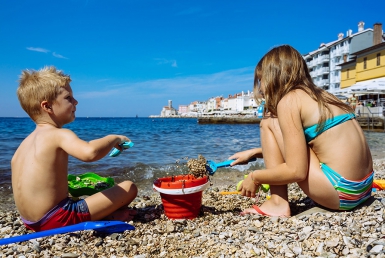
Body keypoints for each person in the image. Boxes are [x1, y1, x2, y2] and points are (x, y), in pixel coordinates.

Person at [229, 45, 373, 217]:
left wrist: (255, 177)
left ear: (274, 76)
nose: (260, 88)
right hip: (364, 190)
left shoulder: (289, 101)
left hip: (341, 193)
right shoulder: (324, 96)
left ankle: (277, 203)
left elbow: (296, 170)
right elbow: (314, 148)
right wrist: (255, 153)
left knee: (269, 120)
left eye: (262, 80)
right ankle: (276, 203)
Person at [12, 66, 138, 232]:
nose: (76, 102)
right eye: (68, 98)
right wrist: (113, 138)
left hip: (30, 221)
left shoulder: (23, 145)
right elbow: (90, 152)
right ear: (47, 106)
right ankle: (109, 216)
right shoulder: (59, 134)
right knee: (129, 187)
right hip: (58, 219)